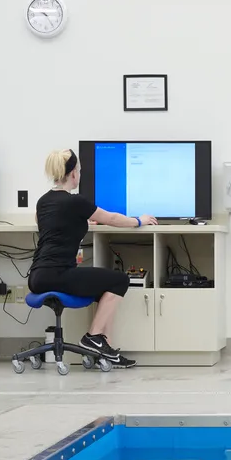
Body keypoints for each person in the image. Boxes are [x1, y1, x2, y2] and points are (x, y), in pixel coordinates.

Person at [27, 148, 156, 368]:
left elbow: (53, 227)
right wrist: (139, 220)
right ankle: (93, 338)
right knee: (119, 280)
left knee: (105, 290)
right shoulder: (76, 202)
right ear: (74, 174)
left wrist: (82, 222)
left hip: (37, 276)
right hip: (58, 273)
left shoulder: (43, 202)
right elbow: (112, 218)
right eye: (79, 170)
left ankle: (106, 352)